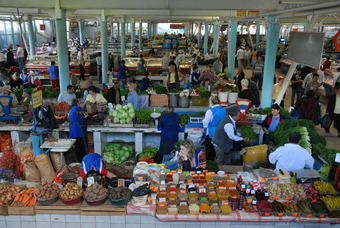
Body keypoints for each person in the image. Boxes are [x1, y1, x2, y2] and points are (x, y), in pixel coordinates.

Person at [203, 96, 226, 161]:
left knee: (210, 151)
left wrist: (205, 126)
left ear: (212, 102)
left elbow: (205, 122)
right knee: (219, 152)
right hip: (220, 132)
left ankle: (210, 165)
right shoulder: (223, 111)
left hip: (211, 133)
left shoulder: (210, 111)